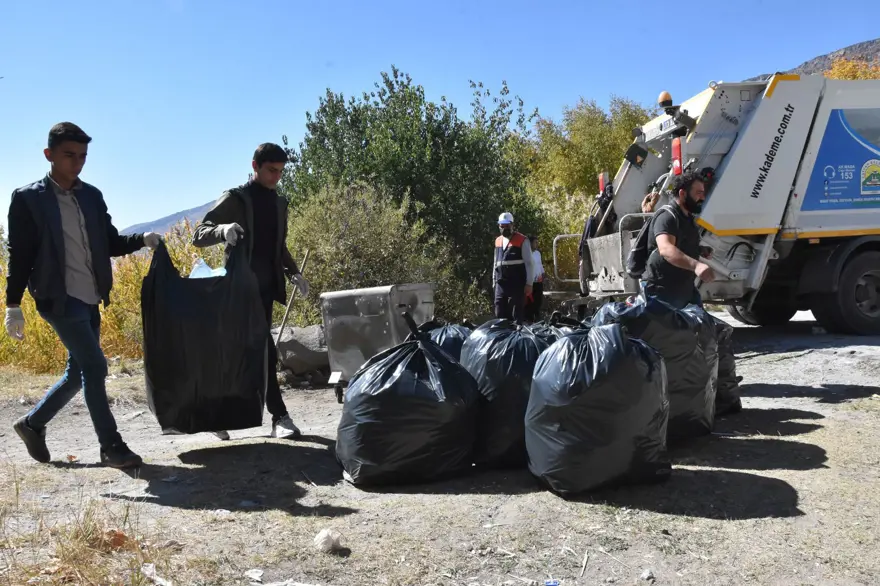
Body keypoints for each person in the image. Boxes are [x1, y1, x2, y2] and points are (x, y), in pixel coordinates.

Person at [6, 122, 162, 468]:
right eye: (69, 155)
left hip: (91, 297)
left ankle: (32, 424)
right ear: (49, 155)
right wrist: (13, 303)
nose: (77, 163)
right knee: (95, 366)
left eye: (82, 156)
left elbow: (109, 242)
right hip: (57, 299)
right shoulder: (28, 199)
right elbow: (20, 254)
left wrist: (142, 240)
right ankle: (111, 445)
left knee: (78, 373)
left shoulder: (91, 196)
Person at [192, 143, 309, 441]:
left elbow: (277, 246)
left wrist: (294, 272)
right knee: (258, 351)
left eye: (281, 172)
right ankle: (279, 417)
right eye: (271, 170)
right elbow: (199, 234)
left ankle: (218, 413)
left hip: (266, 289)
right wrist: (223, 230)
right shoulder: (235, 199)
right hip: (237, 291)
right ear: (255, 166)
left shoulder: (279, 204)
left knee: (250, 353)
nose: (276, 177)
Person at [641, 170, 715, 308]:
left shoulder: (687, 218)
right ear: (682, 193)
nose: (703, 197)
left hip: (684, 289)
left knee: (700, 328)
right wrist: (697, 265)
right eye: (698, 193)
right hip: (662, 291)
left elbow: (680, 244)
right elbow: (666, 249)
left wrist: (699, 250)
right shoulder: (667, 216)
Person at [492, 212, 534, 324]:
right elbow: (496, 262)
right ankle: (502, 336)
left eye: (507, 225)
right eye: (502, 225)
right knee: (499, 310)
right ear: (499, 226)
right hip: (501, 283)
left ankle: (516, 335)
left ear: (512, 225)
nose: (504, 228)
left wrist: (529, 283)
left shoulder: (522, 240)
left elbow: (529, 263)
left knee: (516, 312)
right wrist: (494, 281)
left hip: (517, 282)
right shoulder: (498, 241)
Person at [524, 235, 545, 322]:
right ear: (530, 243)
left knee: (538, 302)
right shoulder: (525, 254)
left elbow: (539, 265)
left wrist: (543, 274)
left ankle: (537, 320)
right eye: (535, 242)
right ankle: (528, 320)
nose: (537, 244)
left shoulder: (537, 253)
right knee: (529, 303)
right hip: (529, 282)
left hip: (538, 281)